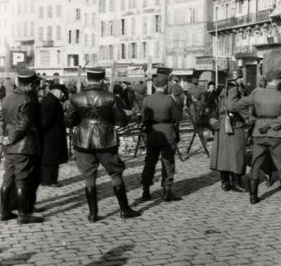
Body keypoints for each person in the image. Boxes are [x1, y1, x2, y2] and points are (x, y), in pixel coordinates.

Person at [64, 67, 139, 222]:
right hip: (106, 139)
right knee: (115, 173)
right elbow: (122, 120)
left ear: (87, 78)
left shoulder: (76, 98)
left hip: (83, 140)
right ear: (102, 79)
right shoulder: (111, 97)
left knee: (89, 177)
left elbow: (69, 121)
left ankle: (93, 214)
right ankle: (124, 210)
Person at [234, 69, 281, 205]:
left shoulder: (257, 94)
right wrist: (272, 125)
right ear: (276, 81)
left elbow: (237, 105)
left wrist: (252, 118)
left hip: (258, 133)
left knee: (256, 164)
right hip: (275, 135)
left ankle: (253, 197)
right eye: (280, 79)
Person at [0, 69, 43, 224]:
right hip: (23, 146)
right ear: (31, 84)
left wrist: (3, 137)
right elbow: (24, 124)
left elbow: (0, 119)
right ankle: (23, 214)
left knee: (8, 178)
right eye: (36, 83)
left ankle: (3, 211)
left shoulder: (8, 97)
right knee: (23, 178)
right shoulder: (28, 99)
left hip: (9, 147)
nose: (37, 86)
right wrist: (11, 139)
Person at [139, 74, 183, 201]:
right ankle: (167, 190)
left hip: (152, 133)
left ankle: (145, 190)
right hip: (168, 132)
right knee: (168, 162)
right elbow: (177, 117)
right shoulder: (169, 100)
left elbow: (143, 118)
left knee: (149, 162)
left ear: (153, 85)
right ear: (165, 86)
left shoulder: (147, 100)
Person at [209, 69, 248, 192]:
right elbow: (232, 106)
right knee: (237, 153)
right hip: (233, 125)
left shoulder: (223, 89)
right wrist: (248, 115)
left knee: (223, 154)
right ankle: (236, 182)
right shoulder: (234, 89)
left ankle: (225, 182)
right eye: (240, 78)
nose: (242, 80)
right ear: (235, 79)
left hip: (223, 124)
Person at [39, 84, 68, 186]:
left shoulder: (51, 100)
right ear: (55, 91)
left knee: (53, 158)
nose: (62, 95)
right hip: (51, 136)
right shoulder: (51, 102)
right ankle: (48, 180)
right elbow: (45, 120)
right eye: (61, 92)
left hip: (52, 135)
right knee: (50, 158)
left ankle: (50, 179)